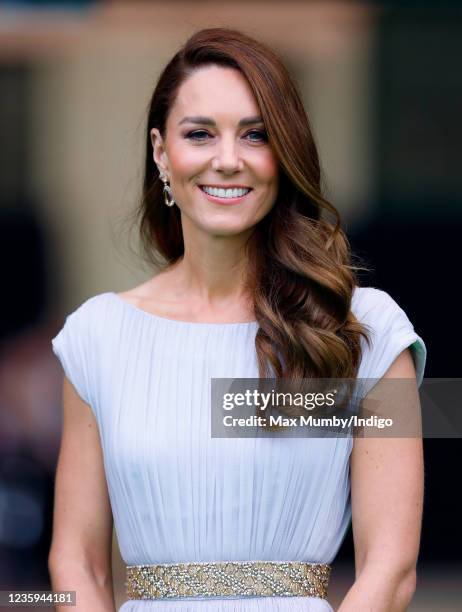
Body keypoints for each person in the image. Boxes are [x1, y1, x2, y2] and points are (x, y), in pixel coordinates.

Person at [49, 27, 427, 612]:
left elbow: (392, 570)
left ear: (286, 154)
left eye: (256, 135)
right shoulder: (97, 337)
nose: (228, 160)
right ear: (161, 152)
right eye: (200, 134)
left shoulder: (366, 331)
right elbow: (77, 563)